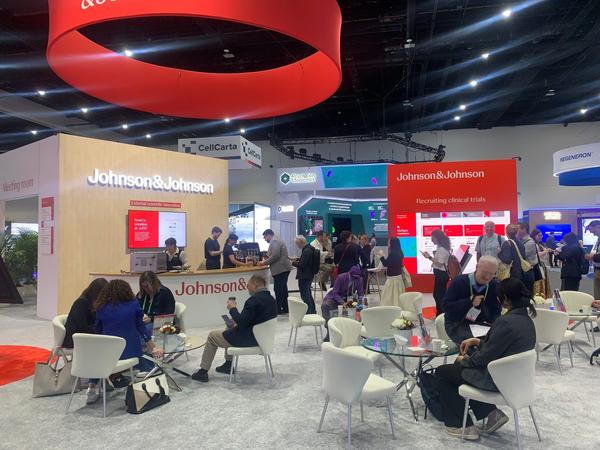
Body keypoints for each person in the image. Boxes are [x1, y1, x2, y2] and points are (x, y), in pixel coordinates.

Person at [435, 277, 536, 440]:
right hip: (517, 379)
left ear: (505, 299)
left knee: (443, 373)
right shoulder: (526, 320)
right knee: (457, 371)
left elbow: (481, 359)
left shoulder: (505, 322)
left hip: (497, 379)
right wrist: (478, 342)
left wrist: (464, 359)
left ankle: (461, 425)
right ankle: (491, 413)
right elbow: (500, 347)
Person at [191, 275, 277, 382]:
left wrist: (232, 308)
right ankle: (228, 364)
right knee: (229, 327)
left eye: (248, 285)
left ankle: (203, 372)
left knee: (212, 336)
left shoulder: (253, 301)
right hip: (264, 338)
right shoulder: (271, 299)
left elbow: (242, 322)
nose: (247, 288)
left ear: (255, 285)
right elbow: (255, 320)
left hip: (249, 339)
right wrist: (236, 324)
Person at [95, 280, 163, 384]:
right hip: (131, 351)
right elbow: (141, 327)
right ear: (127, 291)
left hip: (109, 352)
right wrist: (153, 347)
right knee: (145, 357)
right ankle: (146, 370)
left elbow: (98, 330)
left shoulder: (101, 307)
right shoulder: (133, 304)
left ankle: (106, 378)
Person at [62, 278, 108, 405]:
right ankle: (95, 383)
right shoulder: (81, 303)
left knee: (105, 346)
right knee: (101, 349)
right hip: (75, 339)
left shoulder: (94, 303)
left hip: (86, 337)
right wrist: (98, 330)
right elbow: (81, 327)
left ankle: (102, 378)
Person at [443, 256, 501, 346]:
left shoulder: (494, 285)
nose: (487, 277)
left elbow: (496, 311)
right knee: (472, 346)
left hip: (481, 325)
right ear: (477, 267)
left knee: (498, 341)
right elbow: (446, 306)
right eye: (485, 272)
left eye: (491, 274)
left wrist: (497, 326)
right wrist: (469, 302)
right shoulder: (459, 281)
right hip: (457, 323)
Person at [321, 265, 364, 341]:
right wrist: (343, 303)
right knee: (325, 306)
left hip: (349, 298)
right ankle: (329, 331)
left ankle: (356, 332)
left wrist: (360, 303)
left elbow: (360, 293)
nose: (355, 279)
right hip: (335, 298)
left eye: (357, 277)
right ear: (349, 274)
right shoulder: (341, 277)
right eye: (353, 277)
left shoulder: (359, 279)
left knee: (360, 310)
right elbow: (335, 293)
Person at [258, 229, 293, 315]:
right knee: (283, 289)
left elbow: (275, 256)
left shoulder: (274, 242)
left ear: (269, 235)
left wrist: (264, 263)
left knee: (278, 290)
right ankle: (285, 308)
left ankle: (278, 310)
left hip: (280, 269)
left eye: (265, 237)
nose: (265, 239)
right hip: (283, 268)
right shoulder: (278, 240)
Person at [422, 229, 451, 316]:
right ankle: (441, 313)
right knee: (439, 294)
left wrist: (429, 257)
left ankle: (440, 314)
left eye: (432, 238)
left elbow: (439, 263)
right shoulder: (441, 248)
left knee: (438, 295)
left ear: (437, 238)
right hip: (441, 275)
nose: (431, 240)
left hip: (441, 275)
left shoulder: (441, 249)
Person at [292, 235, 317, 314]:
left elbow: (302, 265)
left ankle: (308, 311)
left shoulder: (306, 251)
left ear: (301, 242)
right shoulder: (309, 248)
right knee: (308, 293)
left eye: (297, 244)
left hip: (304, 276)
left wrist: (293, 263)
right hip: (309, 275)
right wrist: (299, 259)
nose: (297, 246)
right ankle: (312, 310)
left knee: (305, 295)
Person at [379, 237, 406, 307]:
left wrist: (381, 256)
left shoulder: (393, 253)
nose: (388, 244)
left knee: (389, 298)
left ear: (392, 243)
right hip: (398, 278)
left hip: (392, 280)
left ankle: (392, 309)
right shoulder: (400, 252)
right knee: (397, 297)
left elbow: (385, 263)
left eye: (389, 242)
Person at [531, 229, 552, 298]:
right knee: (539, 283)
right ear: (534, 235)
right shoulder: (533, 244)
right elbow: (536, 255)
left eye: (541, 235)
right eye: (539, 235)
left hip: (542, 265)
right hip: (537, 266)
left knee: (543, 283)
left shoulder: (540, 244)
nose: (540, 237)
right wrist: (546, 251)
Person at [517, 222, 537, 294]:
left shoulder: (530, 242)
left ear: (524, 229)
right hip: (521, 272)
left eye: (518, 228)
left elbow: (521, 255)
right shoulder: (520, 240)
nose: (516, 230)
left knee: (526, 294)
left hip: (527, 272)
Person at [584, 220, 600, 300]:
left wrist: (592, 257)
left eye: (594, 231)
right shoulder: (598, 240)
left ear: (598, 227)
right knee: (597, 295)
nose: (593, 234)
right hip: (597, 270)